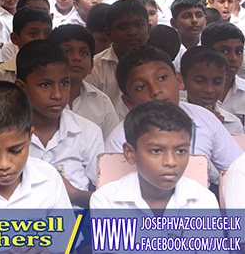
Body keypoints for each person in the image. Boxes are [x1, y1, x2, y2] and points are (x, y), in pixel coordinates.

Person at [104, 45, 243, 185]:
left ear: (178, 80)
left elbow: (237, 170)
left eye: (162, 78)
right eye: (141, 87)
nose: (155, 90)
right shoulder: (120, 140)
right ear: (128, 101)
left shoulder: (205, 119)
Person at [15, 40, 103, 207]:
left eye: (64, 83)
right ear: (21, 87)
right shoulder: (6, 135)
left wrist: (75, 195)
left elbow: (107, 198)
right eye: (45, 85)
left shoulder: (88, 132)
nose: (57, 94)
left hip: (77, 225)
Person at [91, 100, 219, 211]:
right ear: (130, 153)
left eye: (181, 151)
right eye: (156, 151)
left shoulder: (203, 200)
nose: (170, 162)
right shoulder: (106, 201)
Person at [47, 25, 120, 139]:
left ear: (91, 65)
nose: (76, 57)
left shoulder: (101, 102)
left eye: (84, 53)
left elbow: (112, 146)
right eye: (68, 51)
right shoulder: (38, 100)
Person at [85, 0, 151, 119]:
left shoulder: (159, 65)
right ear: (109, 33)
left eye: (139, 25)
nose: (132, 32)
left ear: (149, 29)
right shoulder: (95, 68)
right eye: (123, 27)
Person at [180, 46, 243, 134]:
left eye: (217, 82)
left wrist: (219, 130)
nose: (209, 89)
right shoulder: (169, 118)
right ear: (182, 80)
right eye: (200, 81)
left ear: (225, 81)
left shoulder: (233, 124)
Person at [0, 7, 52, 84]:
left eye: (47, 34)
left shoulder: (59, 72)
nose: (42, 39)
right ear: (15, 38)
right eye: (33, 34)